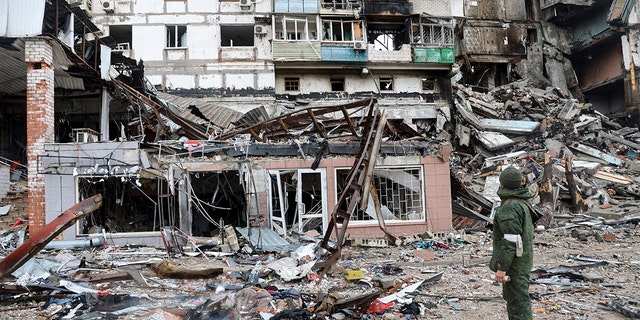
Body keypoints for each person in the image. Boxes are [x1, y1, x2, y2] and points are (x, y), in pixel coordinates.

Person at [490, 166, 534, 320]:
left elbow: (511, 241)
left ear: (502, 184)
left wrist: (502, 268)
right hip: (522, 262)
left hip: (515, 265)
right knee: (518, 301)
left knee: (518, 305)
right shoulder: (522, 202)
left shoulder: (509, 207)